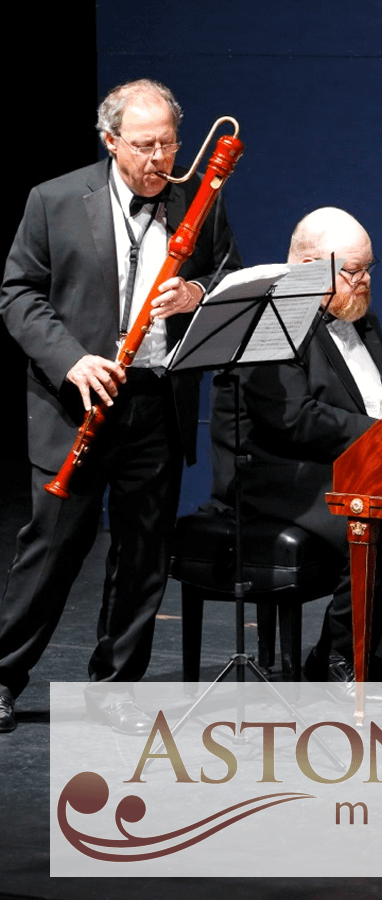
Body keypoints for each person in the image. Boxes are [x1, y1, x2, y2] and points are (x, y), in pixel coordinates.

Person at [0, 79, 240, 735]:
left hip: (157, 399)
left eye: (169, 142)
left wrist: (196, 291)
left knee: (143, 555)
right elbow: (18, 295)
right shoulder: (53, 202)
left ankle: (115, 687)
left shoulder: (199, 198)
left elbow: (228, 275)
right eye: (145, 146)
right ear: (111, 143)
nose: (161, 158)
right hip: (78, 399)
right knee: (51, 551)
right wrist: (71, 359)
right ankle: (3, 675)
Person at [210, 207, 382, 697]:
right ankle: (335, 658)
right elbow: (292, 420)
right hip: (277, 473)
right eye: (353, 271)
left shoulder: (357, 315)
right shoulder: (269, 322)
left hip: (349, 459)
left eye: (369, 268)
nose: (365, 281)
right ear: (310, 267)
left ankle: (371, 653)